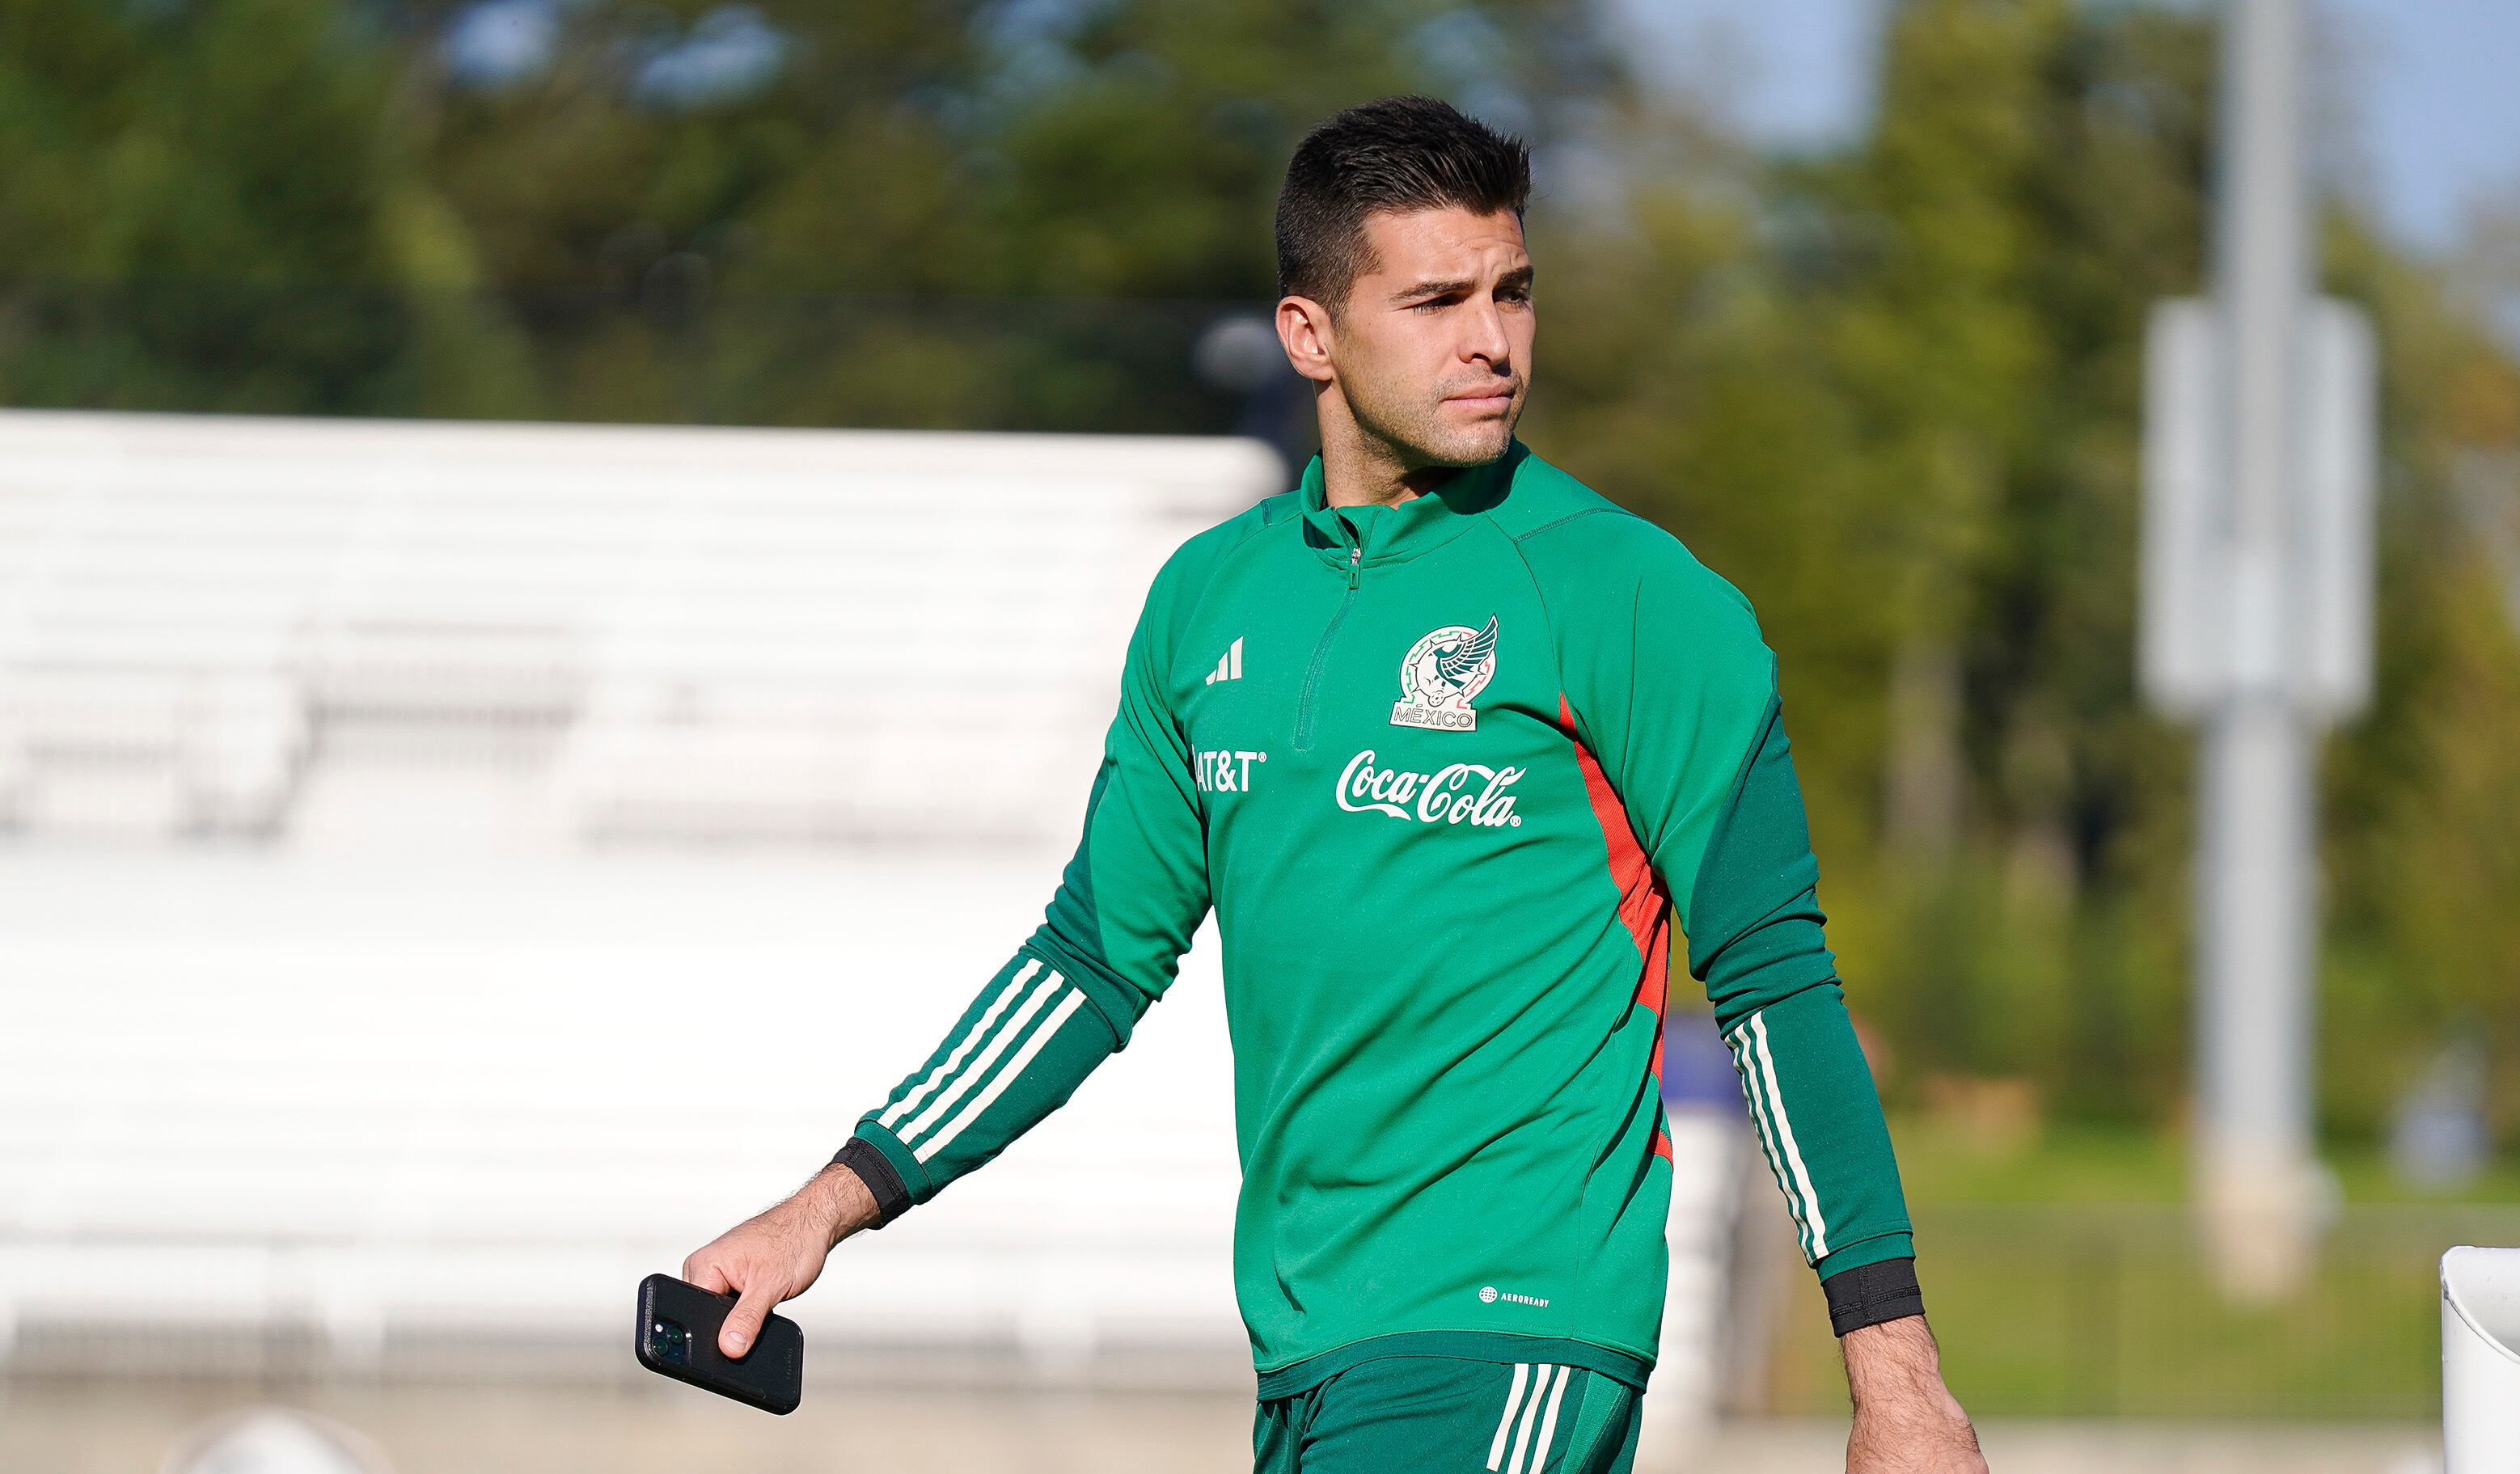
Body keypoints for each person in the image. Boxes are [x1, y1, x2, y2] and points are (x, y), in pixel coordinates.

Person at [683, 95, 1986, 1474]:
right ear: (1309, 333)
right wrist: (826, 1206)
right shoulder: (1206, 600)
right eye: (1434, 301)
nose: (1492, 341)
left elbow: (1776, 984)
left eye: (1514, 291)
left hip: (1516, 1325)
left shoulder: (1635, 599)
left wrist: (1895, 1376)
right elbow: (1089, 961)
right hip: (1304, 1354)